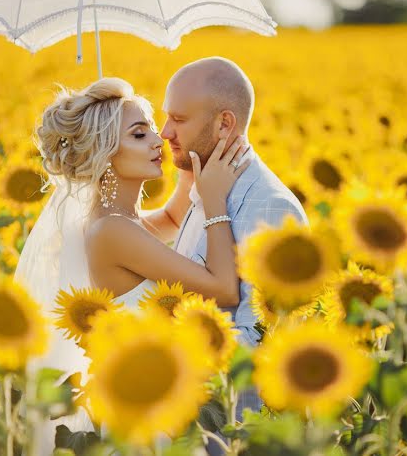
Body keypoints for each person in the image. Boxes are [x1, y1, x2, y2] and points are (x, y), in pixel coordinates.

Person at [15, 76, 249, 454]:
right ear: (105, 151)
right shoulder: (113, 231)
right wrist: (216, 202)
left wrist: (192, 154)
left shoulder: (114, 220)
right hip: (142, 419)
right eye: (139, 135)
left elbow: (174, 216)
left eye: (154, 130)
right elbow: (223, 288)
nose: (158, 140)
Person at [141, 56, 309, 452]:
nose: (165, 132)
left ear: (224, 124)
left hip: (233, 436)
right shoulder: (207, 184)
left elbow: (261, 339)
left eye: (179, 119)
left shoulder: (270, 207)